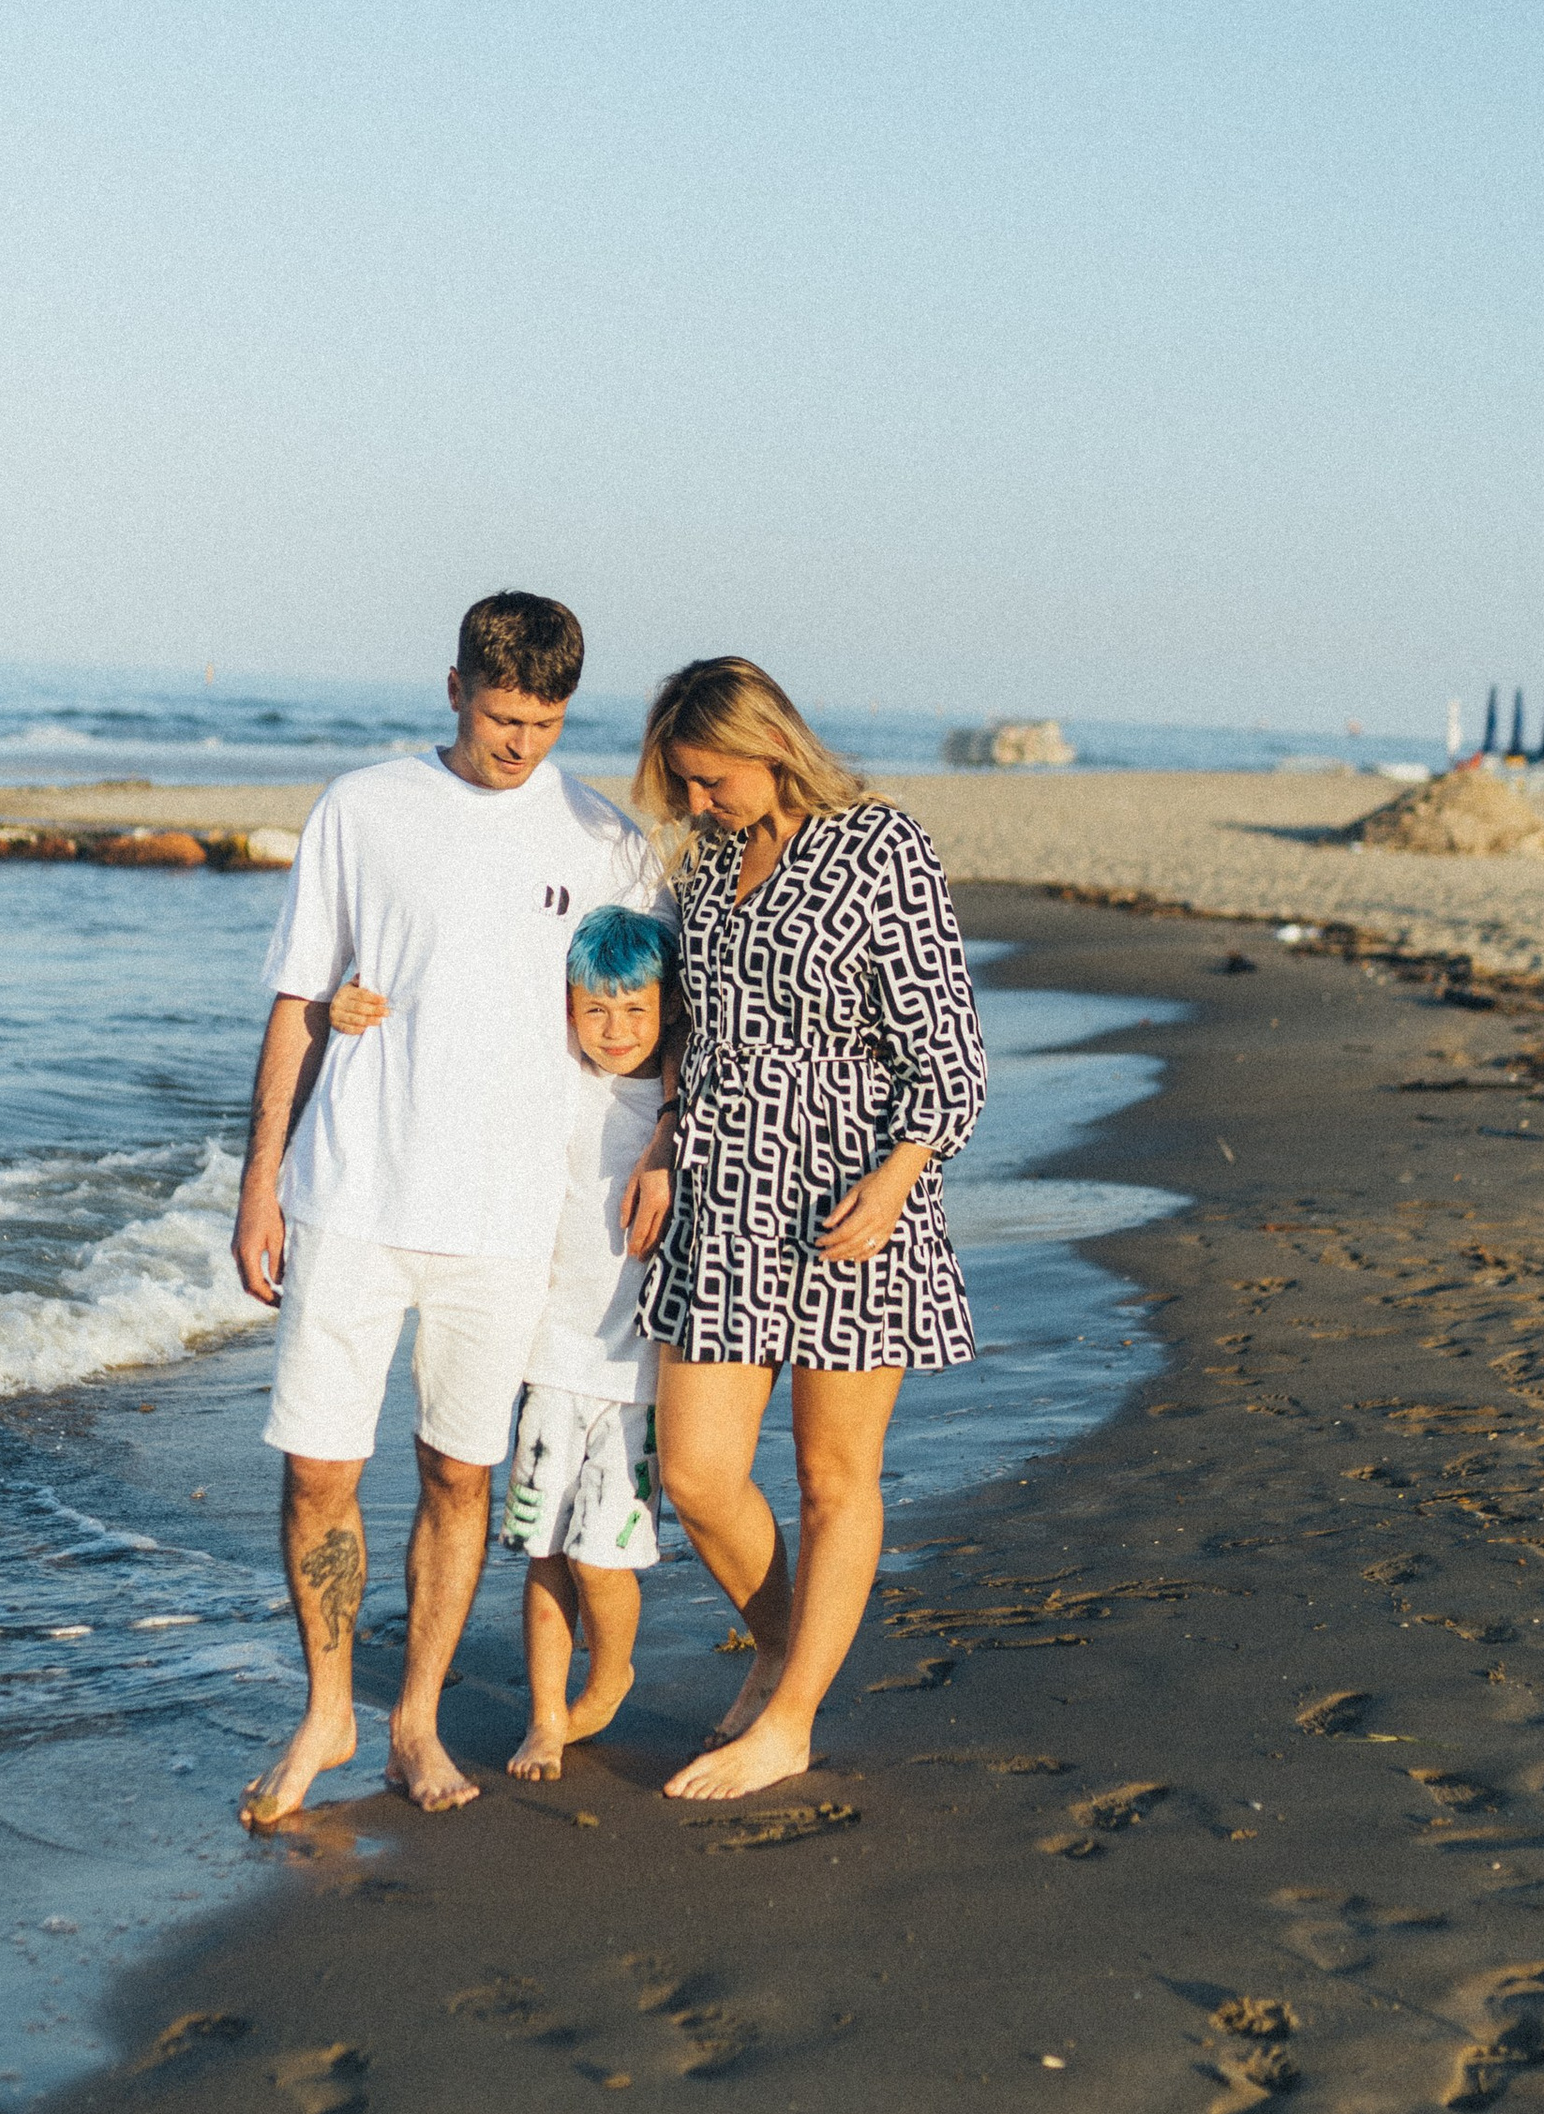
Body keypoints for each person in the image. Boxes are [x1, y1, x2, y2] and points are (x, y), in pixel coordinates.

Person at [231, 592, 670, 1818]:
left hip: (508, 1218)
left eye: (545, 720)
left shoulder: (607, 844)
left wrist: (668, 1146)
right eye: (501, 715)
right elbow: (296, 999)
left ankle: (413, 1722)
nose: (521, 743)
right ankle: (326, 1711)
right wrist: (259, 1179)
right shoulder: (363, 809)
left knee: (459, 1476)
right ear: (453, 689)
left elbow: (652, 1026)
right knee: (319, 1470)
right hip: (352, 1195)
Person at [628, 654, 987, 1804]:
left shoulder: (882, 847)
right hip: (722, 1195)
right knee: (694, 1472)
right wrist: (662, 1138)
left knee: (835, 1479)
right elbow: (691, 1027)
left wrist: (898, 1179)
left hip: (850, 1197)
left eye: (708, 779)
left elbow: (951, 1051)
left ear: (769, 745)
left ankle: (787, 1722)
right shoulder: (707, 863)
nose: (694, 802)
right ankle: (792, 1649)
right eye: (681, 784)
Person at [500, 906, 674, 1783]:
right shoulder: (561, 1085)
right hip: (548, 1362)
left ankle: (609, 1676)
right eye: (595, 1011)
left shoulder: (681, 1108)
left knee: (602, 1554)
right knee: (543, 1548)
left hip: (637, 1375)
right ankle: (544, 1713)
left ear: (667, 1009)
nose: (615, 1031)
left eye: (636, 1011)